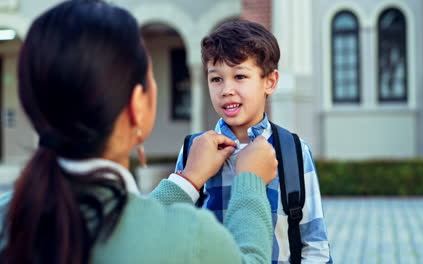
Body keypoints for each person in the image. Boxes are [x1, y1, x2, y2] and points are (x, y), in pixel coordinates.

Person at [0, 1, 278, 263]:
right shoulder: (191, 238)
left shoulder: (10, 215)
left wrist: (188, 181)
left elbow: (126, 222)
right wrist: (250, 182)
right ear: (137, 106)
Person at [174, 20, 332, 263]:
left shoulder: (293, 152)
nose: (226, 89)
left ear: (269, 82)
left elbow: (314, 245)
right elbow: (173, 232)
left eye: (239, 76)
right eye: (216, 79)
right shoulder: (194, 150)